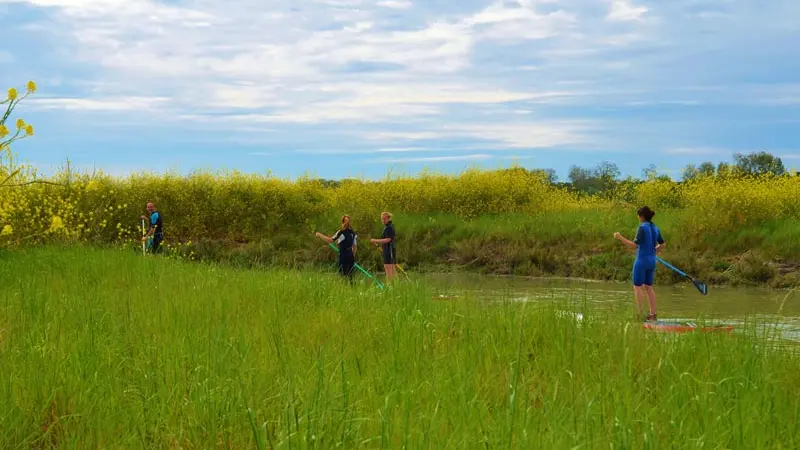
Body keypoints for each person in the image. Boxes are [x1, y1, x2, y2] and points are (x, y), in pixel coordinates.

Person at [613, 206, 666, 322]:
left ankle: (640, 315)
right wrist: (654, 251)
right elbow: (663, 244)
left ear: (641, 216)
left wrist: (620, 237)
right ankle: (653, 314)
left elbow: (634, 246)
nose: (638, 218)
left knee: (637, 287)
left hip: (641, 261)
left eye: (638, 216)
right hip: (652, 261)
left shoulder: (642, 228)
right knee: (648, 287)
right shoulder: (655, 228)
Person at [314, 215, 358, 282]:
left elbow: (330, 240)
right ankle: (350, 289)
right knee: (350, 276)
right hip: (350, 255)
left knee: (343, 275)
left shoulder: (341, 232)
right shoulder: (353, 233)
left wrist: (319, 235)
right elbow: (355, 247)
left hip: (344, 255)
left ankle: (344, 289)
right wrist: (352, 256)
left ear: (342, 222)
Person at [370, 212, 397, 283]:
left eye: (384, 219)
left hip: (389, 251)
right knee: (392, 270)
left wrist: (375, 240)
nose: (383, 221)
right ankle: (396, 286)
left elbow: (388, 239)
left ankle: (389, 287)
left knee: (389, 270)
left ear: (388, 218)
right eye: (382, 219)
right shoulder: (388, 226)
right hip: (388, 250)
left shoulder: (389, 228)